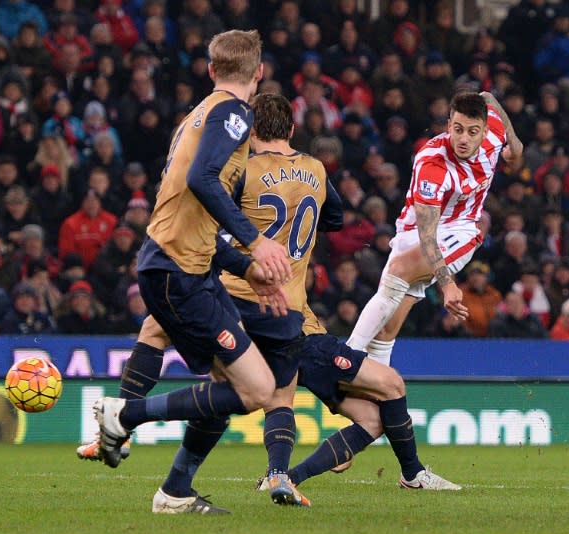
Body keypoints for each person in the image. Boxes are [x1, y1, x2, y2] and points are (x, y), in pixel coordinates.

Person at [84, 93, 460, 509]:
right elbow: (333, 217)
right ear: (293, 130)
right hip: (289, 310)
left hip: (236, 294)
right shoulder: (315, 170)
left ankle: (131, 427)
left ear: (251, 131)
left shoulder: (242, 168)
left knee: (160, 331)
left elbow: (216, 220)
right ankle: (243, 471)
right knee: (277, 395)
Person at [91, 30, 291, 515]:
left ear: (210, 70)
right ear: (258, 72)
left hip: (185, 266)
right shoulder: (233, 114)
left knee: (228, 388)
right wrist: (256, 241)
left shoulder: (195, 117)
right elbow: (202, 182)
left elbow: (195, 214)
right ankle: (124, 415)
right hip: (176, 272)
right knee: (259, 391)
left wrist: (245, 266)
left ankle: (175, 490)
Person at [345, 91, 523, 365]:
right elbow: (427, 236)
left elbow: (489, 98)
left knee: (398, 270)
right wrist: (447, 284)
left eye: (472, 132)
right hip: (417, 231)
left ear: (485, 130)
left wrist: (515, 144)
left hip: (462, 230)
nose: (464, 138)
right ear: (449, 123)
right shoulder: (432, 163)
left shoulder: (494, 135)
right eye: (458, 129)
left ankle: (348, 355)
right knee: (386, 328)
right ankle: (378, 392)